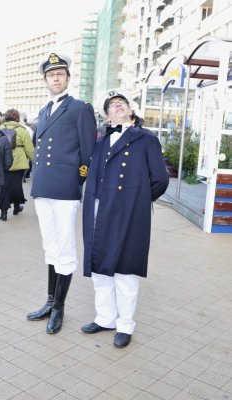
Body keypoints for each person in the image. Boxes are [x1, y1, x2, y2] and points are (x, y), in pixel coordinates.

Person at [81, 89, 169, 348]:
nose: (117, 105)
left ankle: (125, 325)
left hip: (127, 213)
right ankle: (105, 318)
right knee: (100, 269)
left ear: (130, 110)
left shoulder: (145, 139)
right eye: (112, 104)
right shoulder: (99, 142)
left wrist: (137, 201)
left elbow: (161, 180)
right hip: (98, 211)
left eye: (122, 103)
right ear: (107, 116)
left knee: (125, 270)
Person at [27, 50, 97, 335]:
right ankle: (49, 300)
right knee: (51, 247)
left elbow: (88, 153)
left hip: (66, 188)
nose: (55, 78)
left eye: (60, 74)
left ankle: (59, 308)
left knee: (65, 250)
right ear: (46, 80)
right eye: (51, 75)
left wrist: (77, 181)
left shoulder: (80, 108)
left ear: (68, 77)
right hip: (43, 188)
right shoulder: (43, 110)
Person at [0, 109, 34, 221]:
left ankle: (3, 212)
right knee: (17, 186)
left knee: (4, 187)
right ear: (17, 118)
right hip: (18, 162)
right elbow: (29, 149)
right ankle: (16, 207)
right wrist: (34, 162)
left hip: (3, 162)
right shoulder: (22, 130)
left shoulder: (0, 128)